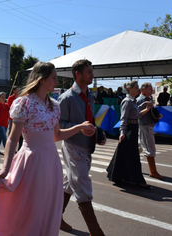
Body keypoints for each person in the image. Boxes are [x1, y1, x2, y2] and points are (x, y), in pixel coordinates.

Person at [0, 61, 95, 236]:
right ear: (42, 79)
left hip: (51, 162)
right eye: (54, 78)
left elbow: (57, 136)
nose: (57, 82)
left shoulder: (54, 105)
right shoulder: (23, 103)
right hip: (31, 161)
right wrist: (5, 167)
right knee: (30, 209)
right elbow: (12, 138)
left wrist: (79, 127)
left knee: (48, 207)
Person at [58, 59, 106, 235]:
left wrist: (98, 133)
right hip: (72, 145)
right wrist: (80, 129)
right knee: (82, 182)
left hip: (87, 146)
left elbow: (89, 120)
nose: (93, 75)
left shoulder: (89, 97)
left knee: (69, 183)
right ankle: (96, 231)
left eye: (92, 72)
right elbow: (59, 125)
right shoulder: (66, 98)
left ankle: (56, 218)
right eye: (89, 72)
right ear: (78, 74)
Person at [107, 81, 151, 189]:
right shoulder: (127, 101)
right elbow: (123, 118)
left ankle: (118, 176)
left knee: (124, 154)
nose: (138, 89)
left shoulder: (134, 101)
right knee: (133, 156)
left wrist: (147, 109)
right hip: (129, 130)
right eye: (136, 87)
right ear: (130, 89)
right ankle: (139, 180)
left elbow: (137, 115)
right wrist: (122, 133)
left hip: (134, 128)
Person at [136, 83, 164, 180]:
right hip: (145, 126)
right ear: (144, 89)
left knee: (138, 147)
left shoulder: (148, 99)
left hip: (147, 125)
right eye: (150, 88)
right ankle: (153, 171)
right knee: (150, 148)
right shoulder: (140, 100)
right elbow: (137, 114)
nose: (152, 90)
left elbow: (150, 112)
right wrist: (147, 109)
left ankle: (125, 165)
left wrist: (156, 115)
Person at [7, 86, 24, 151]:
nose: (19, 90)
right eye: (18, 89)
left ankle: (20, 148)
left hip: (20, 118)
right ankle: (10, 148)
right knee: (12, 133)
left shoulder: (21, 97)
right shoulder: (11, 98)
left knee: (21, 134)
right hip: (12, 118)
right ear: (14, 90)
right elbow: (10, 108)